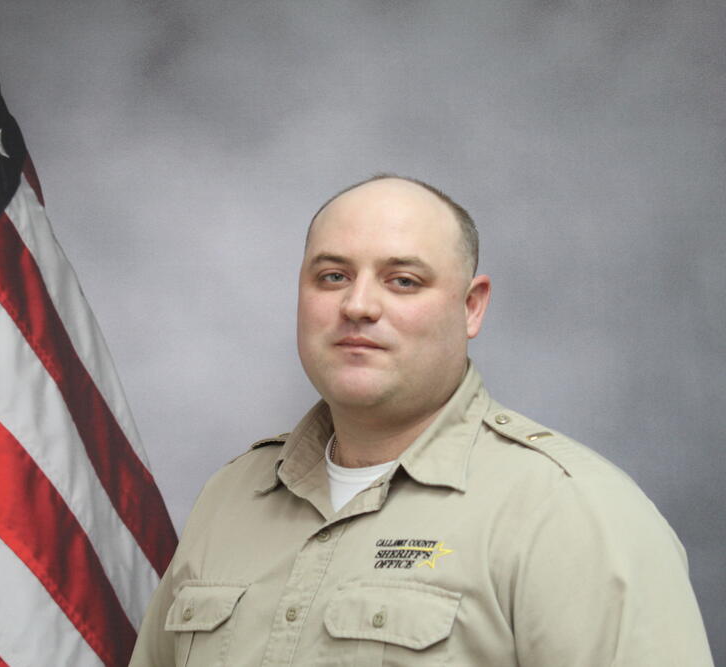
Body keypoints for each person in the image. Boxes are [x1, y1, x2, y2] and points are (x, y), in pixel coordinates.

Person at [129, 176, 713, 666]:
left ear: (471, 306)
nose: (358, 305)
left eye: (402, 280)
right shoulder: (231, 497)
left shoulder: (571, 512)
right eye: (332, 276)